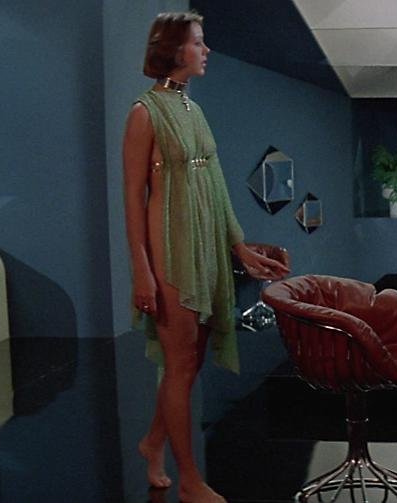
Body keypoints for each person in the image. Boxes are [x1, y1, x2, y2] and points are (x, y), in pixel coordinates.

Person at [123, 12, 289, 503]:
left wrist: (239, 246)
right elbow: (132, 198)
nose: (206, 50)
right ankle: (190, 481)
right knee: (178, 364)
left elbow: (216, 187)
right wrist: (142, 271)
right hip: (170, 250)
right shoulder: (144, 113)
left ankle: (153, 442)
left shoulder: (193, 109)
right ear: (175, 50)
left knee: (191, 361)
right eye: (198, 42)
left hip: (206, 247)